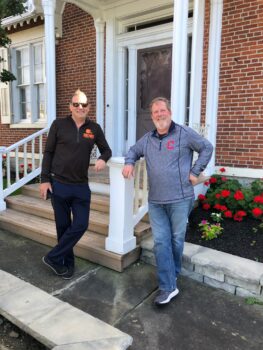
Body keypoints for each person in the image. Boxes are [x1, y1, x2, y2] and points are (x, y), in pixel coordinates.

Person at [122, 97, 213, 306]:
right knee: (161, 242)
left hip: (181, 199)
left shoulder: (184, 133)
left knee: (176, 241)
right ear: (152, 116)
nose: (159, 114)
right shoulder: (148, 139)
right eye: (155, 112)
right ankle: (167, 287)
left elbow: (206, 147)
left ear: (169, 112)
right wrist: (129, 163)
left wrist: (195, 171)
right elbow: (134, 150)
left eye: (162, 110)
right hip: (156, 201)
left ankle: (172, 275)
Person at [39, 89, 112, 279]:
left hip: (81, 186)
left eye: (84, 105)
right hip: (59, 184)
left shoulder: (94, 128)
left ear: (89, 108)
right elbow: (48, 153)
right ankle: (66, 264)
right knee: (63, 228)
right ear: (70, 106)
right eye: (76, 104)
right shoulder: (59, 125)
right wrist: (45, 179)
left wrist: (103, 158)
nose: (81, 107)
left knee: (80, 224)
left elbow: (107, 149)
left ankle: (53, 257)